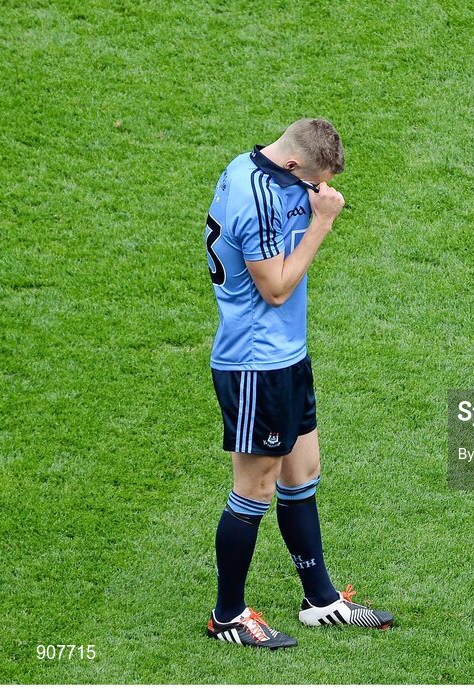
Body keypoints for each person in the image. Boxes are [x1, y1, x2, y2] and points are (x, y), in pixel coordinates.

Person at [203, 118, 394, 649]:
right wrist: (320, 225)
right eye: (312, 180)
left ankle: (321, 601)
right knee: (255, 489)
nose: (318, 190)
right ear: (291, 165)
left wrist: (310, 195)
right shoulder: (255, 197)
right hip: (255, 364)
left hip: (287, 357)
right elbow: (278, 289)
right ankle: (228, 616)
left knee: (302, 473)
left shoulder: (257, 165)